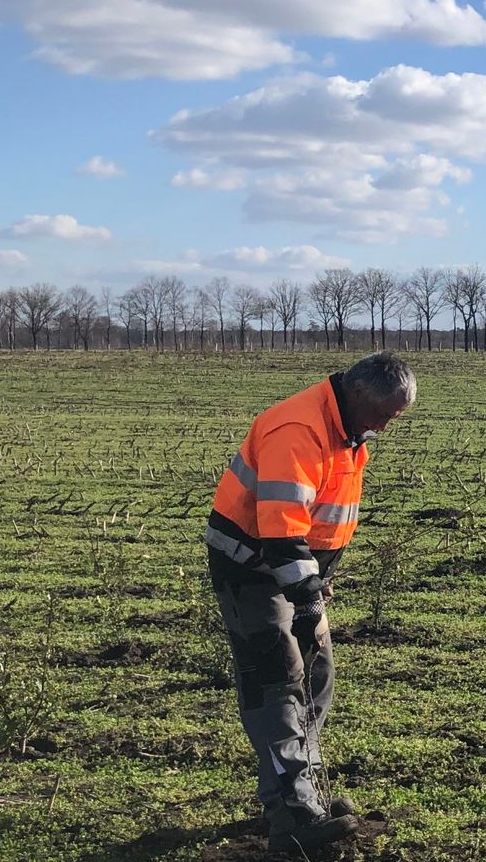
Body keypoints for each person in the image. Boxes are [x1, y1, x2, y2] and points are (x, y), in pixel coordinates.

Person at [203, 352, 415, 853]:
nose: (386, 426)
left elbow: (322, 518)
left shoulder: (347, 427)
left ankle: (299, 795)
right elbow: (281, 528)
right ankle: (295, 813)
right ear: (359, 393)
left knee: (316, 677)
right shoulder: (297, 429)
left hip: (295, 571)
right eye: (385, 413)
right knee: (277, 682)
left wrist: (318, 583)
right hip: (252, 569)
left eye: (396, 417)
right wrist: (305, 594)